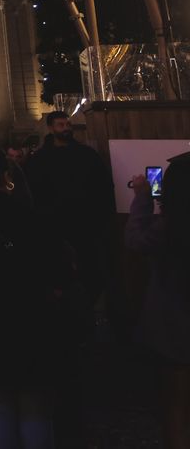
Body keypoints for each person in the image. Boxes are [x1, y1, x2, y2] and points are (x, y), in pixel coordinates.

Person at [0, 144, 74, 449]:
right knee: (37, 416)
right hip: (34, 327)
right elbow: (61, 274)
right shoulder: (34, 217)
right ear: (7, 176)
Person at [126, 157, 190, 448]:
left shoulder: (167, 227)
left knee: (175, 406)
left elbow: (135, 241)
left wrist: (141, 200)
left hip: (174, 329)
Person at [25, 110, 113, 310]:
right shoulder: (40, 159)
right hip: (55, 227)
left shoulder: (85, 155)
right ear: (51, 128)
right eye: (60, 125)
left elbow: (102, 186)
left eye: (67, 124)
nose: (65, 128)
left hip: (85, 226)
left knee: (88, 272)